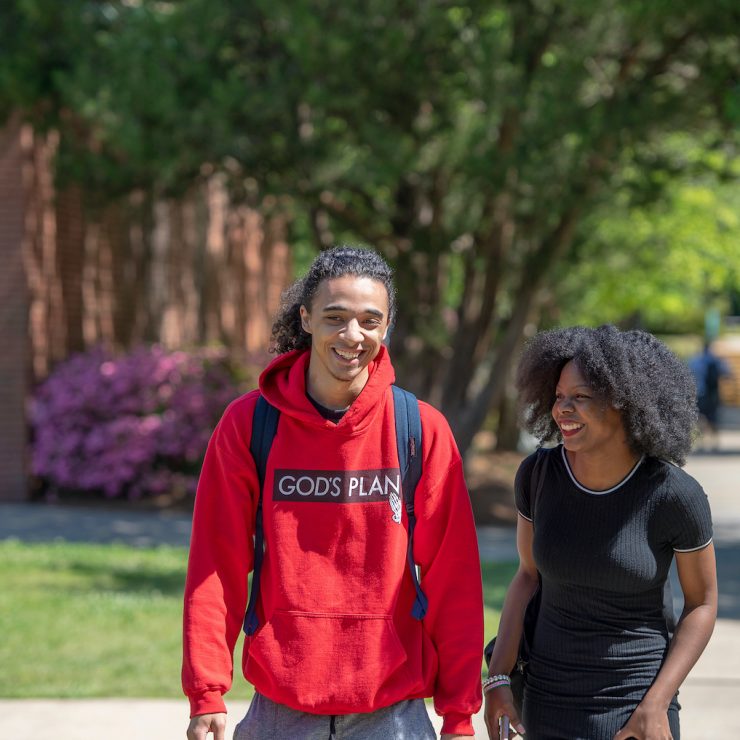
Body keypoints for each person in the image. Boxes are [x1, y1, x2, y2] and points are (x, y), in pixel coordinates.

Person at [183, 246, 484, 740]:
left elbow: (454, 580)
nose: (352, 335)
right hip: (280, 711)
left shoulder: (420, 429)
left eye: (370, 320)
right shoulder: (249, 424)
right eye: (335, 317)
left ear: (387, 327)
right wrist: (207, 691)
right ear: (305, 318)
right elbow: (216, 563)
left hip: (392, 715)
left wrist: (458, 715)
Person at [484, 325, 717, 740]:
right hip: (546, 701)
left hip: (635, 708)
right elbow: (526, 577)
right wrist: (498, 678)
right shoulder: (538, 476)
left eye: (581, 397)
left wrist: (656, 703)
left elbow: (701, 604)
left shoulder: (675, 495)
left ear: (626, 404)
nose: (562, 410)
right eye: (558, 396)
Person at [688, 341, 732, 447]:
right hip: (713, 394)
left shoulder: (695, 361)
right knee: (713, 417)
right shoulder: (716, 361)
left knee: (700, 417)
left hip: (699, 393)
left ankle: (701, 440)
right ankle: (714, 441)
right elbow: (727, 374)